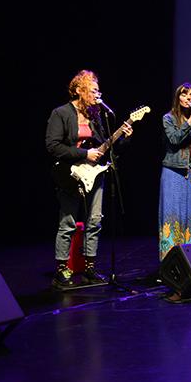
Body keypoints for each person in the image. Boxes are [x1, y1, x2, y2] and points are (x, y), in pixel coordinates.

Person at [45, 70, 132, 289]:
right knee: (68, 223)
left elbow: (105, 148)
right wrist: (85, 154)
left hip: (95, 173)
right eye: (93, 90)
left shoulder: (97, 116)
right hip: (69, 174)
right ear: (79, 90)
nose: (97, 94)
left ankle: (89, 268)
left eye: (98, 89)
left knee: (95, 221)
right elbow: (53, 146)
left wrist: (123, 137)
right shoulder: (61, 113)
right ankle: (62, 270)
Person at [159, 82, 191, 261]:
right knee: (175, 213)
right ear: (177, 97)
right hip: (174, 172)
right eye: (185, 94)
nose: (189, 97)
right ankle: (172, 260)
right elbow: (174, 139)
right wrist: (189, 121)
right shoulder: (168, 118)